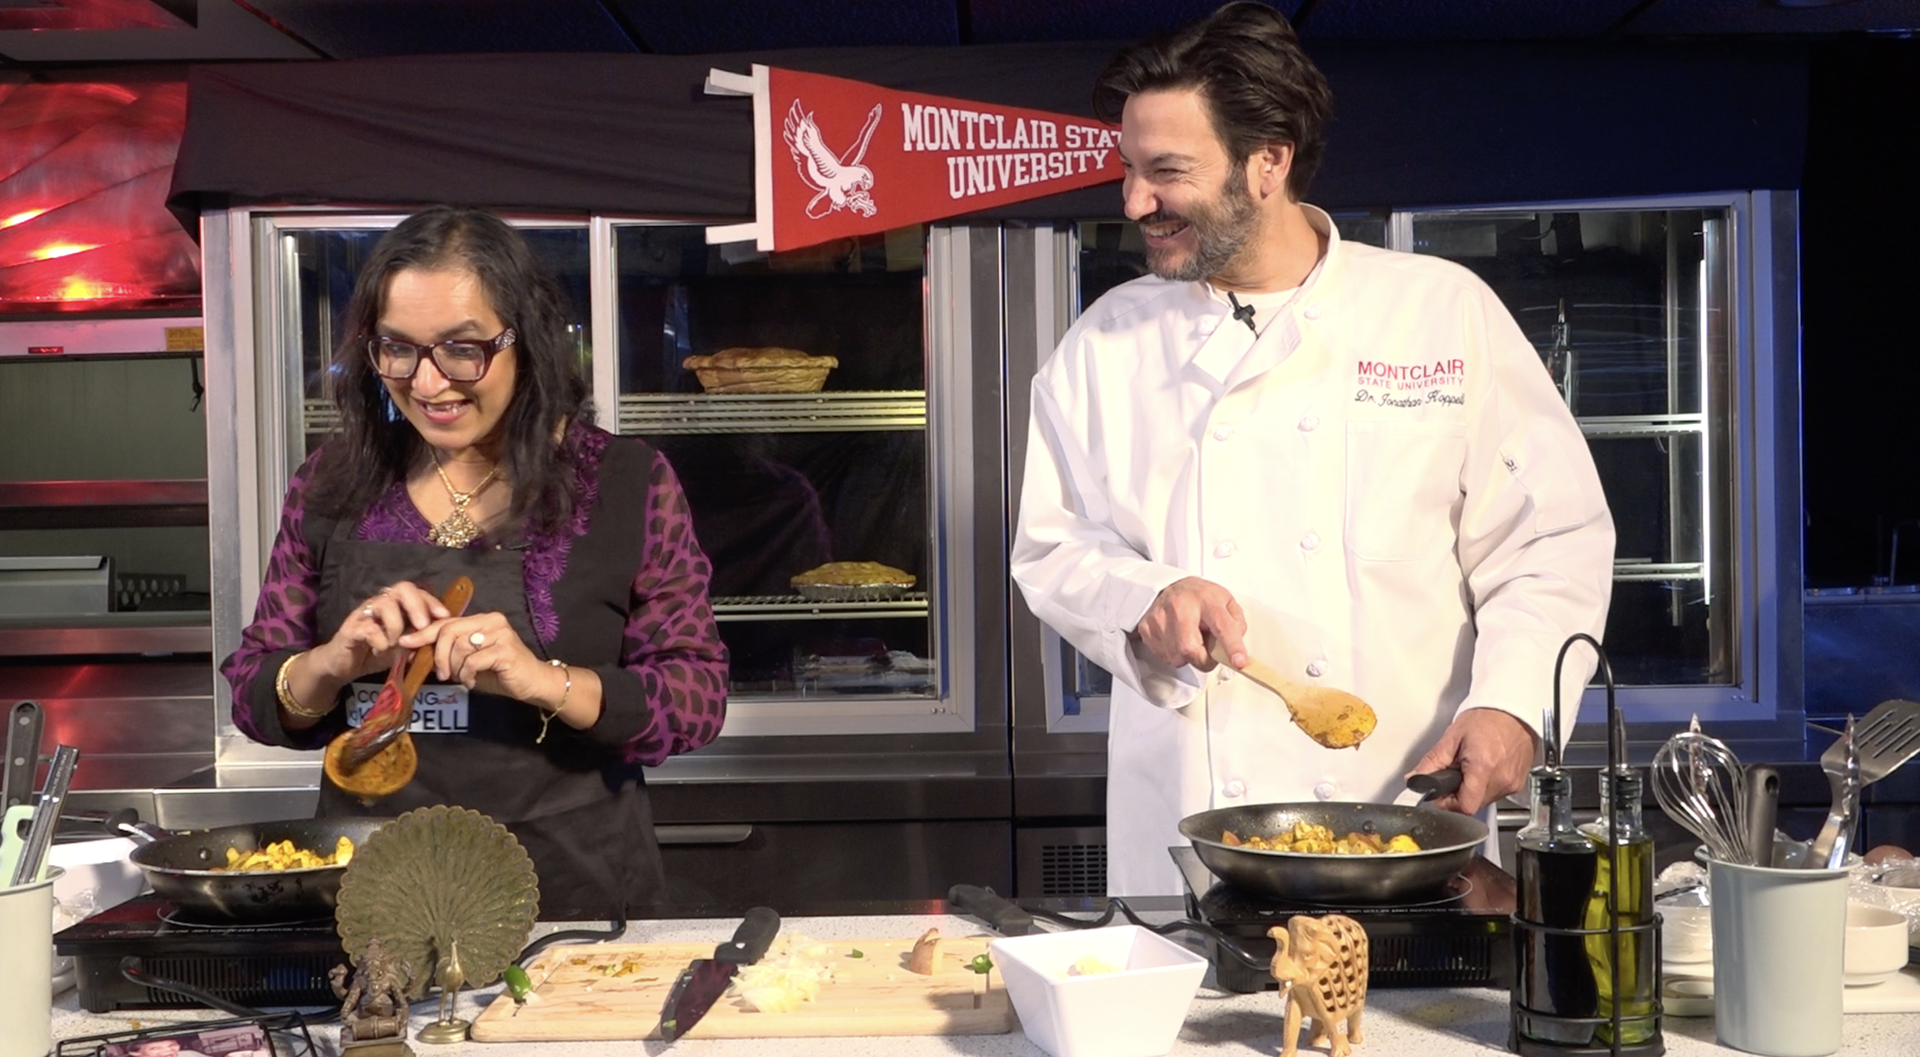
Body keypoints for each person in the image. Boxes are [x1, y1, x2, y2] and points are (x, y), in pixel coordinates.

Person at [1010, 2, 1615, 896]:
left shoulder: (1440, 312)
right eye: (1129, 171)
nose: (1134, 201)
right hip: (1192, 845)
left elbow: (1548, 542)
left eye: (1166, 171)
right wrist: (1145, 596)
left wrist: (1513, 705)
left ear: (1269, 161)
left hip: (1406, 826)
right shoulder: (1104, 345)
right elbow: (1052, 547)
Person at [221, 205, 728, 918]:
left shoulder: (624, 483)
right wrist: (333, 661)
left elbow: (695, 696)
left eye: (462, 349)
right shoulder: (333, 480)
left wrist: (540, 680)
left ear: (528, 339)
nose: (427, 383)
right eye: (397, 348)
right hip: (372, 898)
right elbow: (252, 689)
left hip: (568, 904)